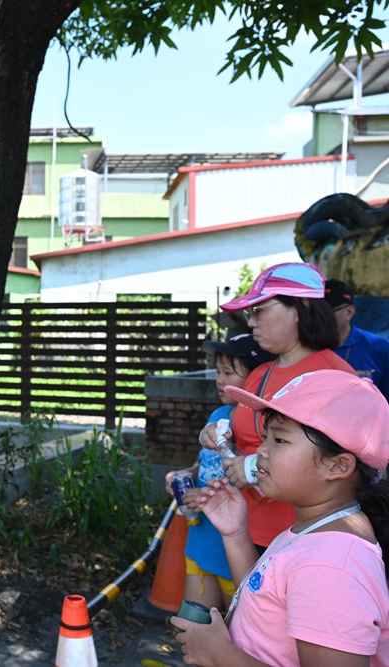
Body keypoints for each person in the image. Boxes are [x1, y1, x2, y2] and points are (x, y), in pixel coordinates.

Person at [172, 370, 389, 666]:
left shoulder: (330, 564)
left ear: (338, 466)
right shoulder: (317, 530)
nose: (260, 451)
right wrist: (235, 534)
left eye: (280, 440)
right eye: (265, 437)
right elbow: (265, 599)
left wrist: (219, 654)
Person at [202, 262, 355, 552]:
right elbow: (242, 430)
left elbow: (345, 464)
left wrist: (253, 465)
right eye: (249, 313)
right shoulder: (260, 373)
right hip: (246, 530)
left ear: (301, 309)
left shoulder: (335, 376)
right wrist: (217, 431)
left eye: (259, 311)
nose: (250, 323)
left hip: (307, 538)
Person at [165, 332, 276, 610]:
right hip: (200, 538)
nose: (220, 379)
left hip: (232, 546)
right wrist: (188, 474)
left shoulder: (264, 426)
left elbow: (260, 485)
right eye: (218, 371)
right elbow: (205, 463)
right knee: (193, 627)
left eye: (229, 372)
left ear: (257, 377)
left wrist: (206, 495)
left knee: (234, 629)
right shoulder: (217, 416)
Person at [324, 278, 389, 400]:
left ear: (349, 312)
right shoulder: (304, 346)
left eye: (328, 311)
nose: (321, 317)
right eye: (317, 311)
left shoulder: (379, 348)